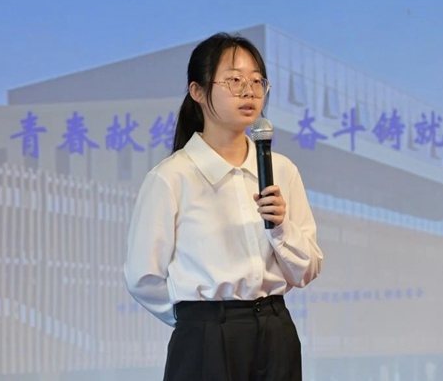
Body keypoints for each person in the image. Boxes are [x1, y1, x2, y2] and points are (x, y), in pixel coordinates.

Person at [123, 32, 323, 381]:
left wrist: (281, 228)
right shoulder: (172, 177)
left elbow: (307, 270)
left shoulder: (281, 170)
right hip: (206, 337)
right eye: (234, 81)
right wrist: (198, 320)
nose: (249, 92)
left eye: (257, 81)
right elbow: (143, 278)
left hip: (275, 331)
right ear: (197, 91)